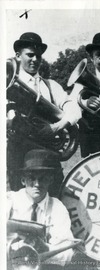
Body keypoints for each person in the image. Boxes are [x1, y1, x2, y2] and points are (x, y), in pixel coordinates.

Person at [7, 32, 80, 196]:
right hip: (18, 155)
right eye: (30, 55)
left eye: (38, 56)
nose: (35, 60)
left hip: (46, 154)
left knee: (54, 198)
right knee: (19, 205)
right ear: (18, 56)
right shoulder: (6, 83)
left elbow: (74, 109)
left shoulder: (51, 85)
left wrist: (57, 126)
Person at [7, 149, 76, 270]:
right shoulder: (8, 202)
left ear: (50, 180)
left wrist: (45, 249)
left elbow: (67, 254)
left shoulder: (57, 208)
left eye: (43, 178)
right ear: (23, 180)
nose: (37, 184)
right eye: (32, 178)